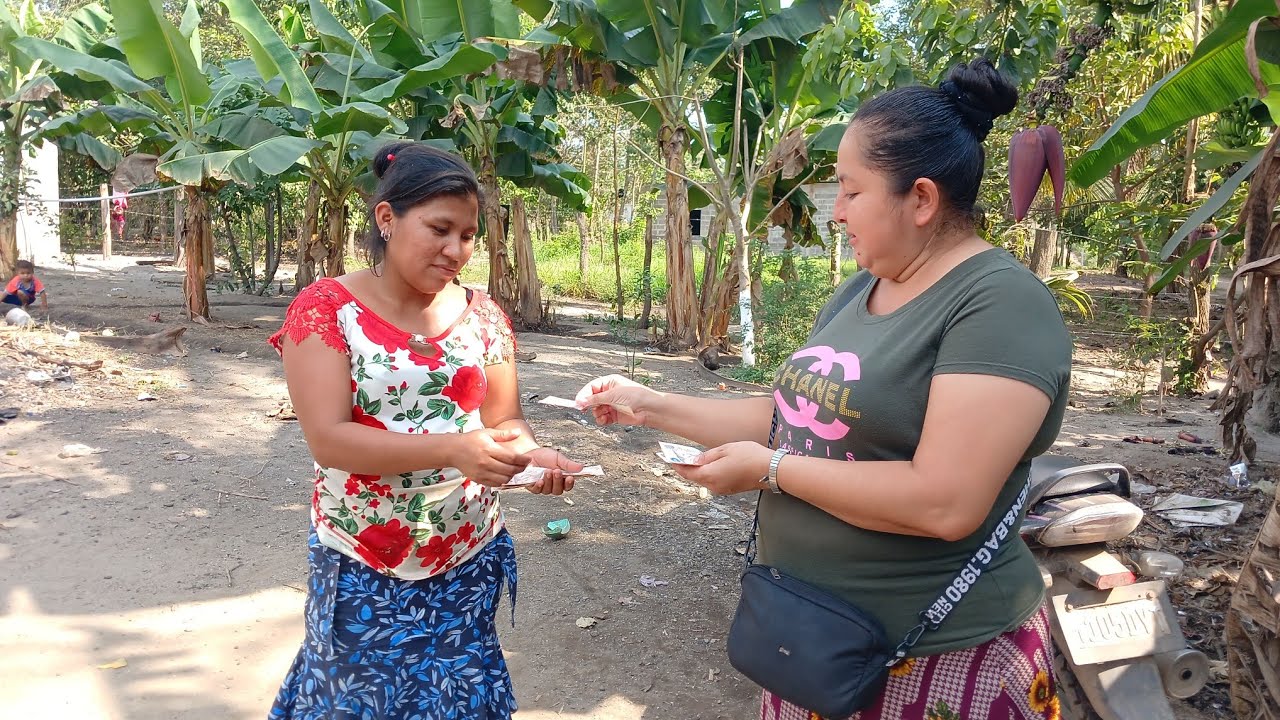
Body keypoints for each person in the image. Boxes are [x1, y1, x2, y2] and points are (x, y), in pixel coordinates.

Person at [577, 58, 1071, 720]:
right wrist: (648, 404)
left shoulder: (999, 304)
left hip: (935, 657)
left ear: (920, 199)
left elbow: (944, 503)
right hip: (814, 641)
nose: (835, 213)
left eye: (850, 190)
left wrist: (773, 472)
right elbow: (794, 419)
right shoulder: (860, 289)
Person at [268, 141, 583, 720]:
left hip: (469, 552)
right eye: (440, 229)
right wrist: (455, 450)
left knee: (458, 701)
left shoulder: (484, 315)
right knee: (357, 702)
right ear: (387, 219)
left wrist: (536, 458)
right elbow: (329, 439)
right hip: (365, 558)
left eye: (467, 236)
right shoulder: (326, 310)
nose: (456, 250)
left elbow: (504, 421)